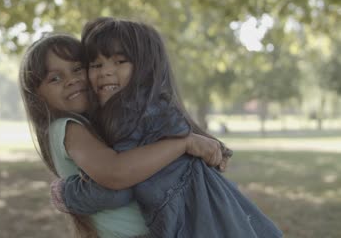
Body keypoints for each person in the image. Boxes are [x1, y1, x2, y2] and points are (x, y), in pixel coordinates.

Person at [51, 17, 283, 238]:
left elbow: (118, 186)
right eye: (96, 64)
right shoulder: (154, 107)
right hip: (214, 211)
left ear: (145, 68)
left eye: (120, 62)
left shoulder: (129, 115)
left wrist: (68, 194)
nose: (105, 72)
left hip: (194, 220)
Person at [19, 33, 227, 237]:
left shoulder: (102, 125)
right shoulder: (68, 128)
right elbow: (116, 173)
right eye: (55, 78)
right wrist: (184, 143)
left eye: (77, 69)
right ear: (37, 95)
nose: (71, 80)